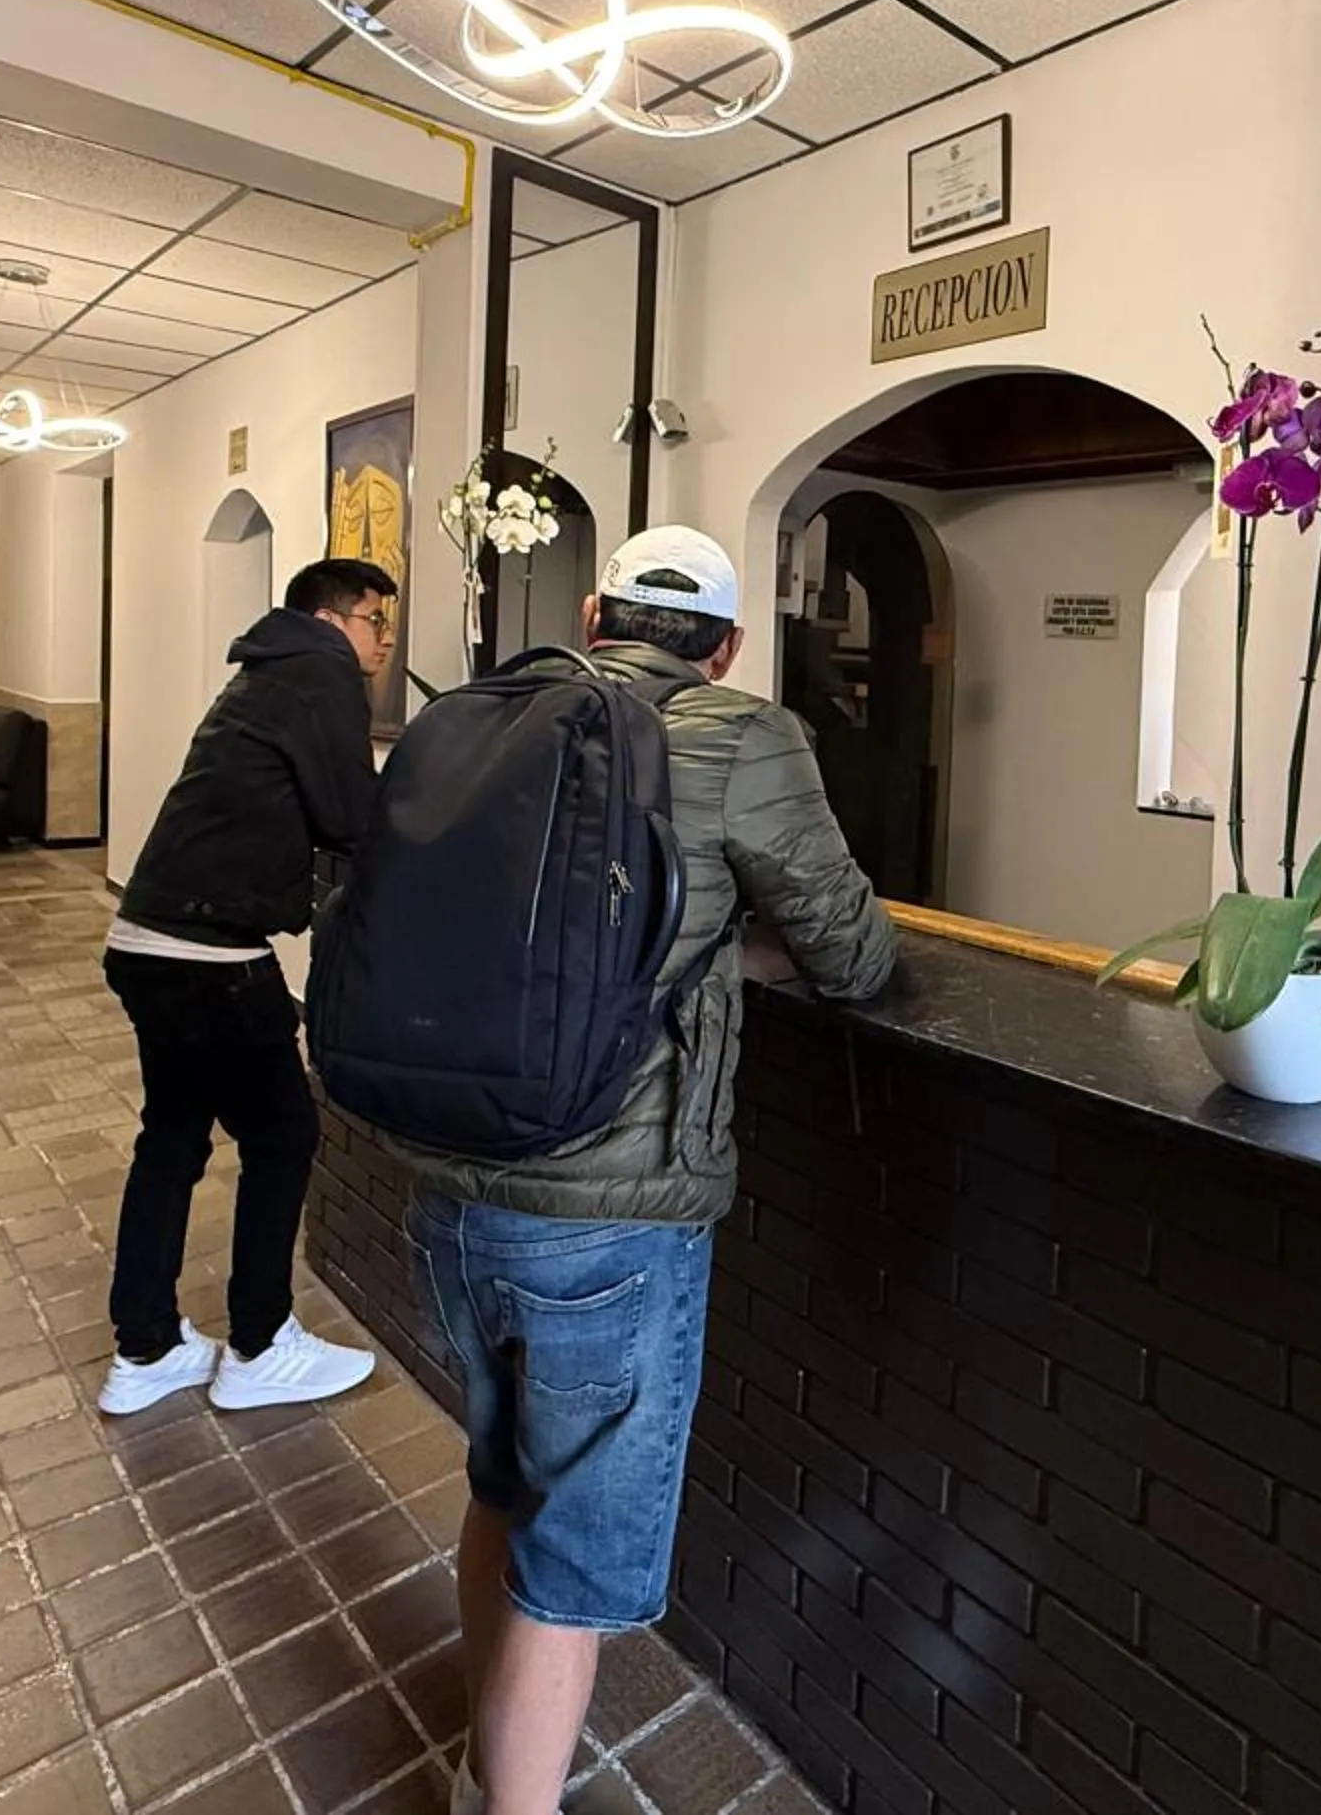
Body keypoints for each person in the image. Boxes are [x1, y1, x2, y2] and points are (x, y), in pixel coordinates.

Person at [400, 527, 898, 1815]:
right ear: (728, 646)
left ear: (593, 610)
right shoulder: (746, 735)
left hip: (453, 1181)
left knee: (501, 1484)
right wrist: (717, 952)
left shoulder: (490, 713)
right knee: (569, 1563)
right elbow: (854, 956)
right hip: (609, 1223)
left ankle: (481, 1757)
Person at [96, 556, 397, 1417]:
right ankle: (261, 1343)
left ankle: (145, 1347)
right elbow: (351, 817)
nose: (384, 641)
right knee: (282, 1138)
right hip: (210, 959)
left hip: (146, 940)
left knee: (174, 1138)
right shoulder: (322, 673)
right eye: (379, 621)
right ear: (341, 618)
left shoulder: (267, 672)